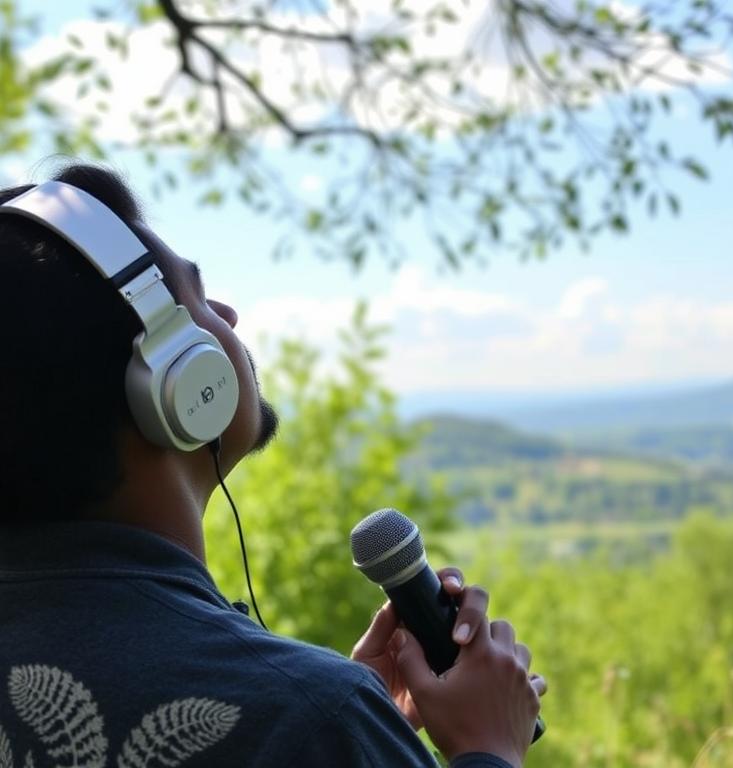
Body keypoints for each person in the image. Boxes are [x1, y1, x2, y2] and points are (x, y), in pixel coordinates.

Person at [0, 164, 545, 768]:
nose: (227, 316)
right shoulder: (309, 720)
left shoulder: (314, 717)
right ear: (174, 382)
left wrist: (365, 730)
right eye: (197, 301)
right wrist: (489, 750)